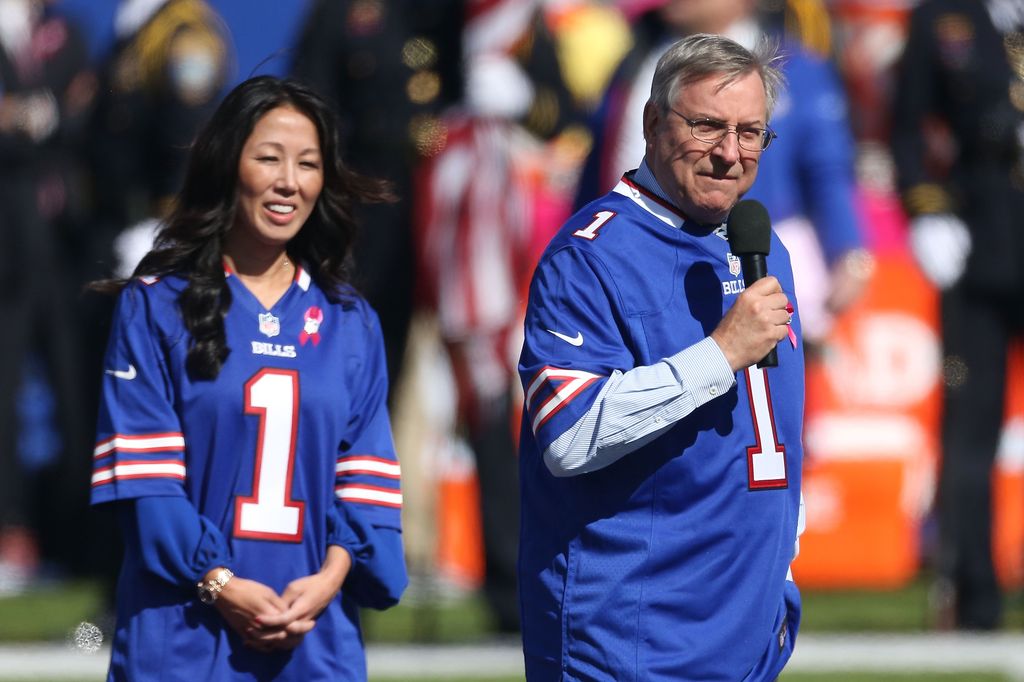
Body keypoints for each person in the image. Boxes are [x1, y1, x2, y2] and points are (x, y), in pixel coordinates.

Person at [88, 76, 407, 680]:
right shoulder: (155, 307)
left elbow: (365, 487)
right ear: (227, 165)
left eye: (308, 164)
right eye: (269, 158)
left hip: (314, 641)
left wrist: (328, 581)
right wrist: (221, 585)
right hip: (181, 640)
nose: (289, 181)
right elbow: (146, 486)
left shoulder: (350, 321)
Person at [517, 33, 804, 680]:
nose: (731, 154)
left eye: (751, 132)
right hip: (630, 639)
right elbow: (567, 438)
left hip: (746, 631)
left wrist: (780, 568)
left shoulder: (763, 246)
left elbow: (771, 431)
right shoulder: (590, 257)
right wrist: (718, 353)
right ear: (652, 123)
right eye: (707, 126)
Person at [577, 0, 870, 344]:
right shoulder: (637, 57)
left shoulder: (795, 69)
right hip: (633, 264)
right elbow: (596, 166)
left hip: (743, 269)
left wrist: (848, 251)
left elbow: (827, 170)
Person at [890, 0, 1024, 631]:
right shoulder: (943, 17)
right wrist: (926, 209)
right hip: (981, 247)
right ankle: (973, 597)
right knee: (969, 431)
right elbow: (908, 125)